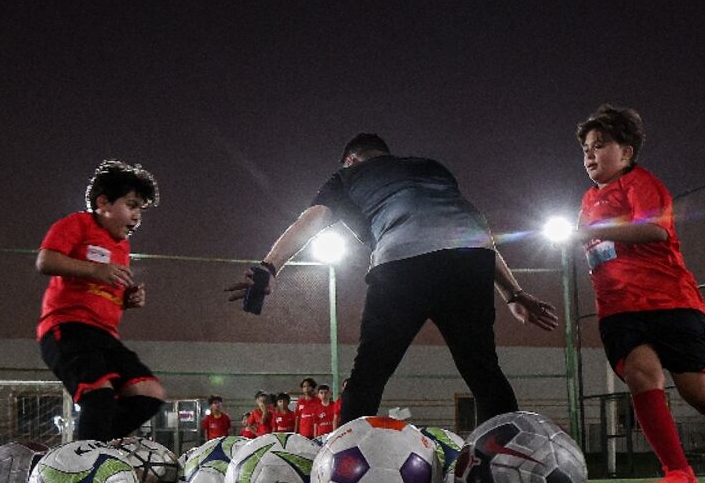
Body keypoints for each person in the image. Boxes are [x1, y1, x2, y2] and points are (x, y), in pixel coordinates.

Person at [228, 133, 558, 426]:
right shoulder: (432, 166)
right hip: (471, 259)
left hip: (403, 262)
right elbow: (472, 230)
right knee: (483, 370)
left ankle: (341, 477)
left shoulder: (346, 176)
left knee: (367, 377)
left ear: (350, 160)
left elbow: (311, 220)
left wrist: (270, 267)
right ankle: (508, 469)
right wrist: (513, 292)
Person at [571, 105, 705, 483]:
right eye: (586, 149)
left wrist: (597, 230)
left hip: (670, 302)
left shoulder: (641, 183)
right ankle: (680, 478)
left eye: (600, 145)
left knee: (701, 394)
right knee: (642, 375)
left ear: (626, 153)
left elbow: (655, 230)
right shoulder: (587, 200)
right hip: (619, 310)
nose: (590, 155)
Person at [35, 160, 166, 441]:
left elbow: (105, 291)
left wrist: (127, 300)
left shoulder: (123, 246)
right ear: (103, 202)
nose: (137, 217)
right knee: (99, 398)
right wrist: (96, 269)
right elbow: (45, 260)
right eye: (131, 205)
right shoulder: (78, 224)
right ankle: (83, 466)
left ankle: (88, 450)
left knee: (149, 393)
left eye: (140, 210)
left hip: (104, 336)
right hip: (68, 329)